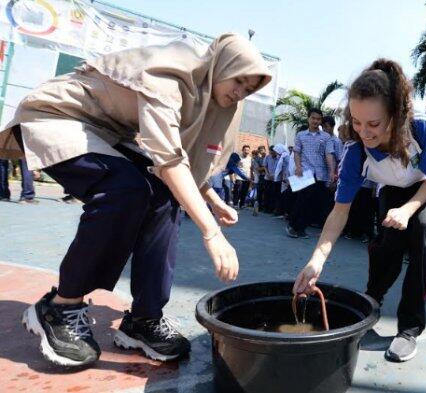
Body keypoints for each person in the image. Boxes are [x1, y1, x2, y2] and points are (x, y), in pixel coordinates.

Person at [0, 34, 271, 367]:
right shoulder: (173, 75)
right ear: (222, 65)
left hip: (109, 133)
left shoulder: (205, 97)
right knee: (125, 189)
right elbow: (169, 160)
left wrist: (212, 197)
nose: (240, 91)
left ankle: (144, 319)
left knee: (163, 196)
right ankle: (60, 307)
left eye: (249, 89)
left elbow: (177, 158)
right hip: (59, 116)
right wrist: (211, 232)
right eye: (239, 79)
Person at [293, 59, 426, 363]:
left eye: (374, 124)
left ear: (395, 114)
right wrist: (316, 261)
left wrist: (407, 210)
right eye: (356, 122)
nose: (364, 133)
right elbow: (339, 212)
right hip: (394, 186)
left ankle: (408, 328)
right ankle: (373, 297)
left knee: (422, 229)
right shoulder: (355, 151)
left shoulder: (420, 127)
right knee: (389, 241)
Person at [286, 109, 334, 238]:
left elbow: (329, 154)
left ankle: (301, 228)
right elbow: (296, 152)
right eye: (313, 118)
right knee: (302, 199)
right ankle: (292, 225)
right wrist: (298, 167)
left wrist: (332, 171)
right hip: (305, 172)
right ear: (308, 119)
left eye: (318, 119)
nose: (315, 121)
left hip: (321, 174)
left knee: (313, 203)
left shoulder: (326, 137)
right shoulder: (301, 135)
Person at [262, 144, 282, 214]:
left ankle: (272, 209)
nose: (272, 154)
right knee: (266, 193)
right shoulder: (267, 157)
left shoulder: (280, 158)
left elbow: (281, 168)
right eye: (271, 152)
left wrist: (275, 175)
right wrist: (267, 174)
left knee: (273, 194)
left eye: (273, 153)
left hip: (275, 179)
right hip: (267, 178)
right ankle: (265, 208)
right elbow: (265, 166)